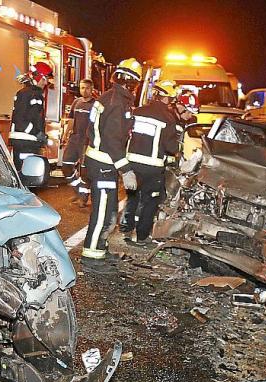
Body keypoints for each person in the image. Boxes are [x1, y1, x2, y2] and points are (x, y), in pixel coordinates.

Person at [80, 58, 142, 274]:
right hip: (103, 164)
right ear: (131, 82)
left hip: (102, 162)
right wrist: (126, 169)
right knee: (103, 213)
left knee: (110, 211)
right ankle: (91, 257)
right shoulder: (118, 102)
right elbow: (112, 140)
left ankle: (101, 249)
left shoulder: (110, 97)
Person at [119, 80, 180, 246]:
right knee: (151, 201)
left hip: (131, 164)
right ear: (167, 98)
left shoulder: (137, 111)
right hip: (152, 168)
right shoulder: (168, 118)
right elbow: (171, 147)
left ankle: (126, 229)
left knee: (132, 196)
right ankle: (142, 236)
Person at [9, 61, 54, 174]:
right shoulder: (26, 94)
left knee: (30, 175)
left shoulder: (35, 94)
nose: (46, 82)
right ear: (37, 77)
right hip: (24, 142)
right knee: (26, 175)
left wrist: (40, 134)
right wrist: (36, 133)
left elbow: (34, 118)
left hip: (29, 142)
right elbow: (20, 120)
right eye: (44, 79)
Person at [62, 78, 95, 206]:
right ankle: (78, 190)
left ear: (92, 89)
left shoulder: (95, 105)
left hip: (87, 141)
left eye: (87, 88)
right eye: (82, 88)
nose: (84, 90)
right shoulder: (76, 102)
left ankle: (84, 197)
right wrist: (66, 134)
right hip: (74, 139)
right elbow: (71, 120)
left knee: (84, 171)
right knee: (66, 165)